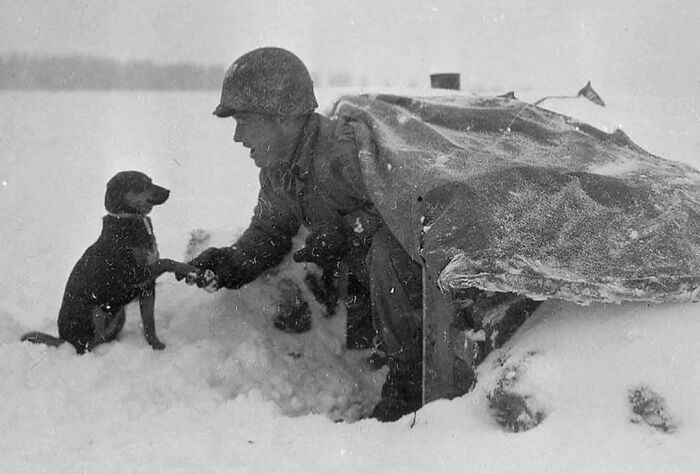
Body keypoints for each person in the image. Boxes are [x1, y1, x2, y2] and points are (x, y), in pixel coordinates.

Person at [190, 47, 424, 422]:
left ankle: (414, 383)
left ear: (281, 118)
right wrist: (233, 262)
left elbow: (409, 211)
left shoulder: (346, 150)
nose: (237, 137)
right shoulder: (278, 170)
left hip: (419, 274)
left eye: (245, 122)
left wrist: (347, 232)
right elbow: (271, 230)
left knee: (387, 252)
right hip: (374, 288)